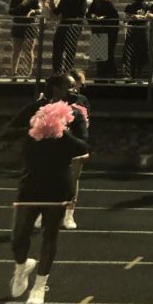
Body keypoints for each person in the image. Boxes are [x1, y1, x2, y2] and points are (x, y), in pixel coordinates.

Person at [0, 74, 89, 304]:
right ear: (54, 88)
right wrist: (35, 126)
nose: (72, 90)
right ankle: (22, 266)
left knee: (50, 235)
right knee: (19, 238)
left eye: (73, 87)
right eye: (67, 86)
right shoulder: (35, 108)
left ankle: (39, 286)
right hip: (31, 180)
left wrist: (61, 130)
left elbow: (83, 146)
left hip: (58, 181)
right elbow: (5, 133)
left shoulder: (77, 114)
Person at [64, 68, 91, 229]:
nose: (78, 89)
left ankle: (69, 213)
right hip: (56, 143)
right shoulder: (53, 99)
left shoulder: (81, 100)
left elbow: (85, 124)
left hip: (74, 142)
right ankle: (45, 210)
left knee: (74, 178)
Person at [8, 0, 41, 78]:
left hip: (30, 26)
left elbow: (39, 10)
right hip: (18, 25)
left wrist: (33, 11)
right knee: (16, 51)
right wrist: (22, 5)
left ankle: (28, 73)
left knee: (29, 51)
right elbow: (11, 11)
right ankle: (14, 72)